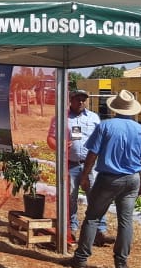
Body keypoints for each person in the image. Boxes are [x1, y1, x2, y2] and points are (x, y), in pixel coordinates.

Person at [68, 90, 141, 268]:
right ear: (132, 110)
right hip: (132, 180)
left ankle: (81, 258)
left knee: (92, 217)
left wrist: (85, 176)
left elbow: (92, 154)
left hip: (108, 178)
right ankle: (121, 262)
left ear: (115, 108)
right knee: (126, 220)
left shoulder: (105, 126)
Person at [46, 89, 108, 244]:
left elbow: (101, 139)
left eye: (83, 99)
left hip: (91, 166)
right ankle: (72, 228)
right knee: (71, 198)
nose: (81, 102)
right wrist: (59, 145)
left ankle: (100, 231)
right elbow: (50, 138)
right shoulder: (61, 118)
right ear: (71, 100)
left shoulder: (94, 117)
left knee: (95, 197)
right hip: (71, 164)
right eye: (77, 99)